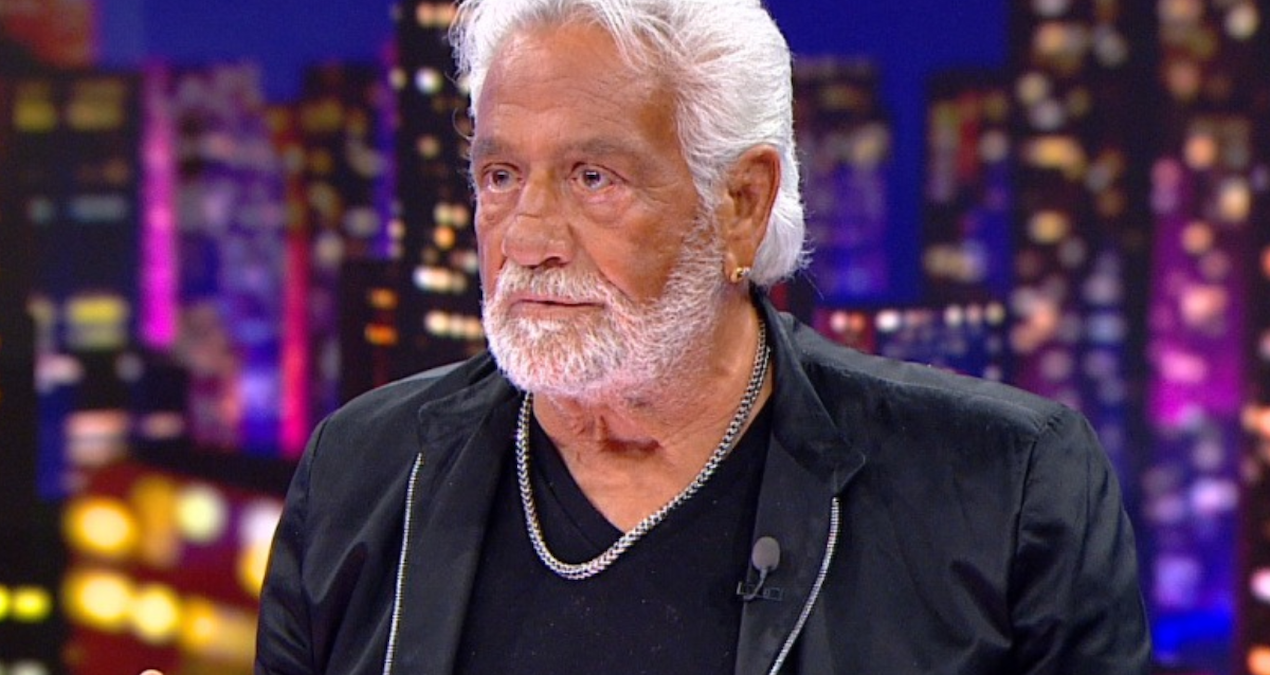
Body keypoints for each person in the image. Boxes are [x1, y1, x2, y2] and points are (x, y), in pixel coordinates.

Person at [241, 0, 1153, 673]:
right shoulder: (362, 475)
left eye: (593, 177)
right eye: (501, 175)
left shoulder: (1003, 493)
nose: (526, 237)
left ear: (741, 203)